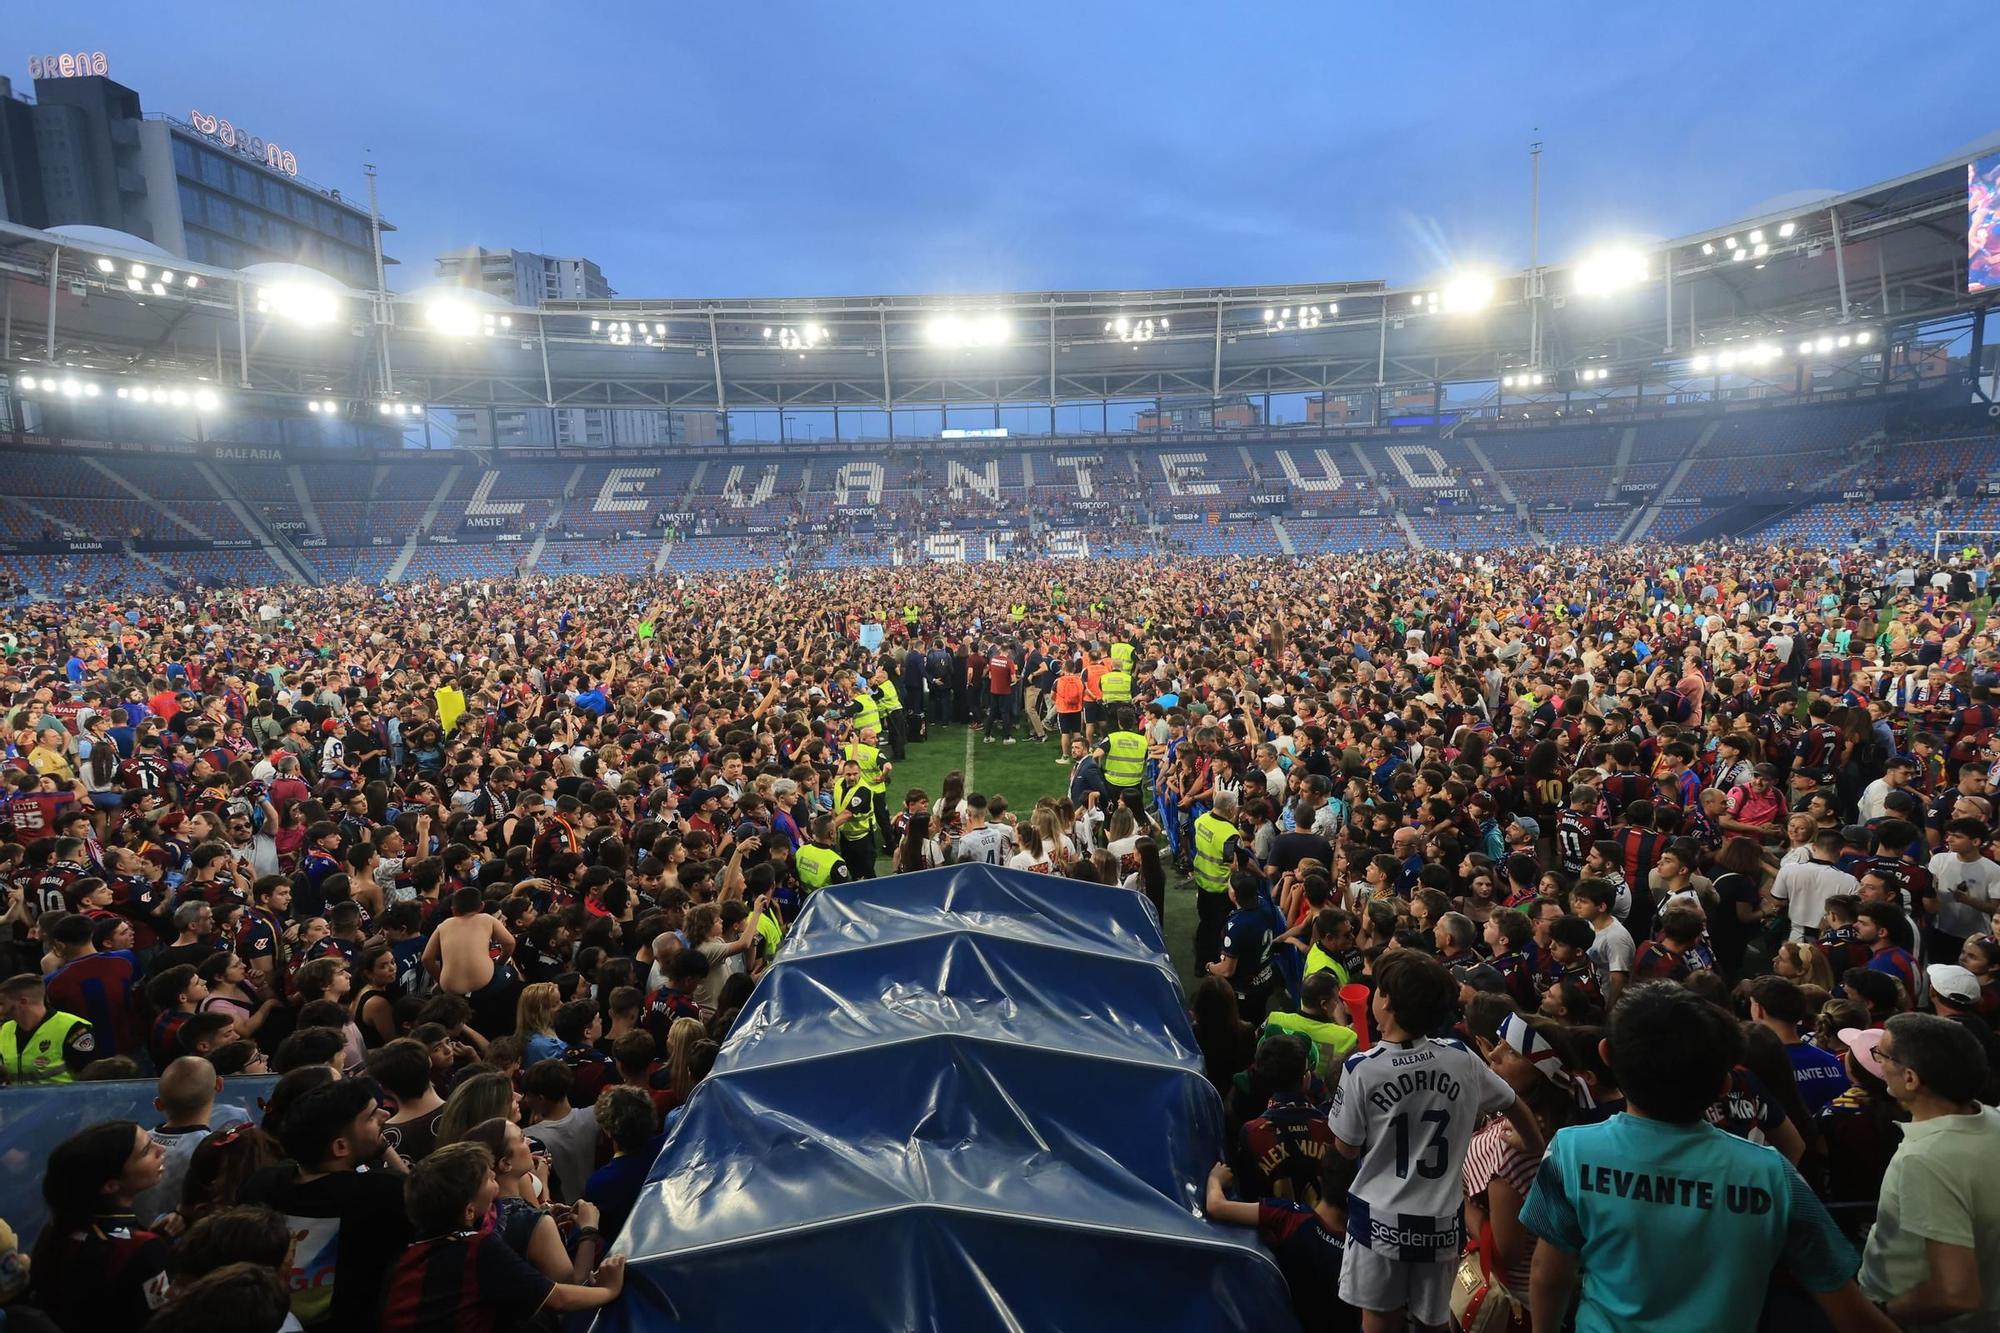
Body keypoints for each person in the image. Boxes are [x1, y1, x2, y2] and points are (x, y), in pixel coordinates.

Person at [1519, 982, 1893, 1333]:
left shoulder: (1571, 1152)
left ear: (1606, 1056)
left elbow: (1548, 1274)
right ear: (1724, 1084)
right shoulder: (1771, 1175)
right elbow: (1847, 1306)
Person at [1327, 950, 1545, 1333]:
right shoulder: (1460, 1057)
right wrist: (1533, 1145)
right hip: (1441, 1223)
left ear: (1386, 1002)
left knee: (1378, 1320)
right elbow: (1514, 1103)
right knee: (1435, 1323)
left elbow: (1345, 1148)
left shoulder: (1362, 1068)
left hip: (1379, 1222)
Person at [378, 1141, 624, 1331]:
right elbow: (558, 1299)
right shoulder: (478, 1249)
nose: (493, 1175)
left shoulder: (404, 1256)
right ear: (469, 1211)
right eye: (487, 1178)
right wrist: (609, 1290)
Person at [1858, 1013, 2000, 1331]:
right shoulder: (1991, 1118)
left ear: (1911, 1078)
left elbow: (1956, 1295)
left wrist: (1883, 1313)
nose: (1878, 1063)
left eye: (1882, 1055)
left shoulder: (1924, 1160)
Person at [239, 1076, 411, 1330]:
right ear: (340, 1147)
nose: (385, 1116)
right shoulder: (384, 1195)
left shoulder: (260, 1184)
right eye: (371, 1116)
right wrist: (384, 1147)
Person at [31, 1120, 173, 1330]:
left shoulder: (55, 1229)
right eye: (146, 1151)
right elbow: (164, 1320)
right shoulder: (142, 1248)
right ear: (111, 1185)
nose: (160, 1149)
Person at [1205, 1151, 1362, 1333]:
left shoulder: (1290, 1217)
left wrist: (1215, 1179)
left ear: (1320, 1181)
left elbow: (1216, 1206)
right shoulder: (1359, 1251)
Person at [0, 972, 97, 1082]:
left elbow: (89, 1081)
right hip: (15, 1094)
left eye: (1, 1004)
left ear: (23, 1002)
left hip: (62, 1093)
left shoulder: (74, 1029)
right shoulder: (4, 1030)